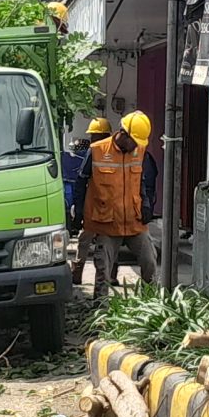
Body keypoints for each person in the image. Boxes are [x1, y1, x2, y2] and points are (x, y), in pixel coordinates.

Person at [78, 111, 154, 297]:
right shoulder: (97, 150)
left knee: (150, 261)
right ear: (123, 134)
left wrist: (146, 204)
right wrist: (78, 211)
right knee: (103, 270)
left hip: (134, 222)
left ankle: (149, 303)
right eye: (134, 141)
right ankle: (100, 310)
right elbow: (81, 182)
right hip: (108, 223)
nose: (136, 146)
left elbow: (143, 181)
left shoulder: (140, 151)